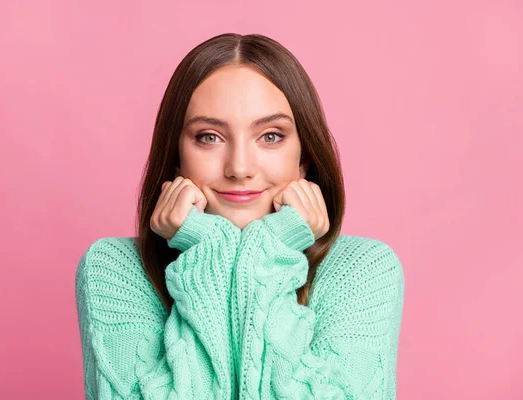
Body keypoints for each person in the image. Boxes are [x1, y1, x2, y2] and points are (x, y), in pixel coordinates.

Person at [75, 33, 405, 399]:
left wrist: (272, 251)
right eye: (209, 137)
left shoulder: (363, 270)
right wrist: (208, 250)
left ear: (304, 157)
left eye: (270, 136)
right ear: (175, 154)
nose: (239, 167)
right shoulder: (115, 268)